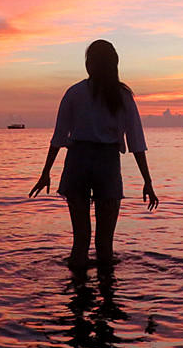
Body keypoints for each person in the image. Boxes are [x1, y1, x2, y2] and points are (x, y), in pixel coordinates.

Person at [30, 39, 158, 269]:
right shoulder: (123, 96)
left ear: (89, 65)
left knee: (80, 240)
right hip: (107, 164)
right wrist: (147, 181)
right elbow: (136, 142)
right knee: (104, 245)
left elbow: (59, 137)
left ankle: (77, 297)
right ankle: (108, 299)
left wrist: (46, 172)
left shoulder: (74, 93)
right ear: (114, 65)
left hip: (77, 162)